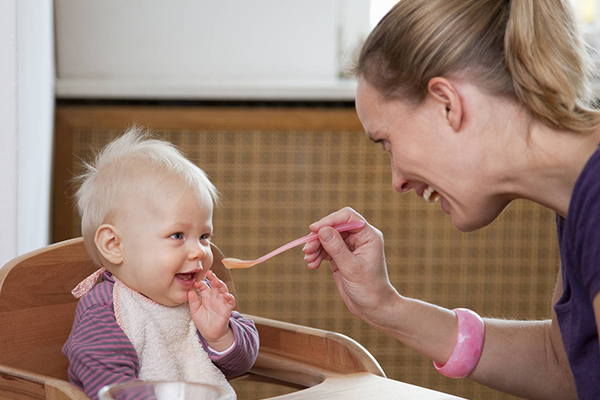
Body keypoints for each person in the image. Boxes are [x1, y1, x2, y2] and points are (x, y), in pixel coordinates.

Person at [302, 1, 600, 399]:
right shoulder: (577, 198)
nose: (398, 182)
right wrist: (387, 307)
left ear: (447, 103)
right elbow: (566, 368)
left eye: (387, 143)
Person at [62, 128, 259, 400]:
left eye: (204, 236)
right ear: (114, 245)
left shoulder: (198, 298)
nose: (199, 251)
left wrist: (219, 336)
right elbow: (112, 390)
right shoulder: (106, 314)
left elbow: (241, 365)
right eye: (177, 235)